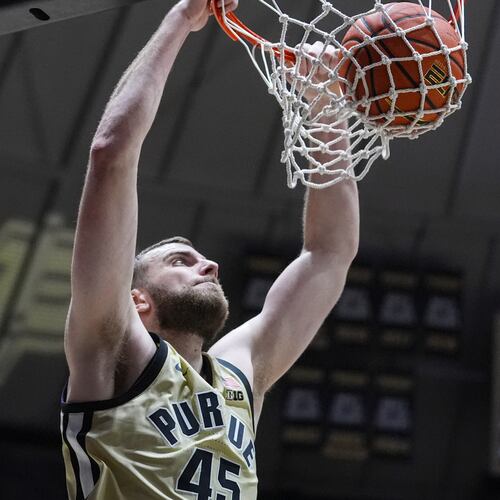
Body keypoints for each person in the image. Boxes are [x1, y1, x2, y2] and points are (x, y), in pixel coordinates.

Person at [60, 0, 359, 498]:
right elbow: (111, 154)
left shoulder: (242, 372)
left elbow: (330, 253)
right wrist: (183, 18)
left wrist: (327, 106)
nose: (211, 264)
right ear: (138, 300)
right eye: (182, 260)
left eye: (201, 259)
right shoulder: (113, 348)